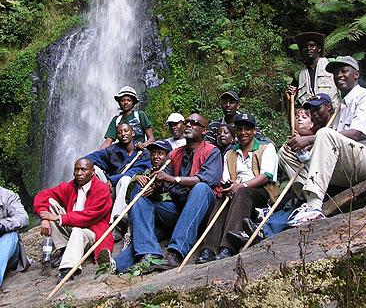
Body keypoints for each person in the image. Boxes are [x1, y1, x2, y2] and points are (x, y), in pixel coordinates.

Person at [98, 114, 223, 273]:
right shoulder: (175, 154)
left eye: (195, 123)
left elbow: (207, 180)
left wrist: (172, 179)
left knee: (201, 188)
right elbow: (163, 185)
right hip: (177, 210)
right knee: (141, 197)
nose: (189, 125)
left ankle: (175, 253)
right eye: (187, 122)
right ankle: (141, 255)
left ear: (204, 131)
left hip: (202, 211)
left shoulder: (212, 152)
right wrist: (154, 187)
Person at [286, 56, 366, 226]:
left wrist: (312, 138)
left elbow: (356, 134)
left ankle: (314, 206)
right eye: (336, 73)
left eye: (344, 71)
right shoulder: (341, 107)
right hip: (349, 163)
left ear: (356, 74)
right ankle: (308, 198)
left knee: (324, 134)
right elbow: (330, 146)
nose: (339, 76)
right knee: (288, 151)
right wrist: (305, 150)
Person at [228, 96, 334, 248]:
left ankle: (263, 229)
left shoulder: (325, 135)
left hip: (317, 186)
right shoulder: (293, 145)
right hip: (298, 190)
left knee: (291, 206)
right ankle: (260, 230)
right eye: (297, 117)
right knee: (289, 207)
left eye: (304, 117)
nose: (299, 119)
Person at [195, 113, 279, 263]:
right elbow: (226, 179)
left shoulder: (266, 148)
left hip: (262, 192)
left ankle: (228, 246)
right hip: (238, 191)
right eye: (239, 129)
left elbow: (266, 175)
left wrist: (242, 185)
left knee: (242, 192)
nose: (243, 132)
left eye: (247, 129)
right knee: (223, 199)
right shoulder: (230, 154)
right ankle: (208, 249)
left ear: (254, 131)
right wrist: (229, 188)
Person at [33, 158, 114, 281]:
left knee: (77, 231)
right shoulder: (70, 186)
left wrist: (58, 217)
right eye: (76, 169)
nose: (79, 173)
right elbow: (43, 195)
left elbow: (89, 216)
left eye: (83, 170)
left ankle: (68, 269)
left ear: (92, 172)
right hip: (72, 227)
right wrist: (44, 217)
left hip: (92, 231)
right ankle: (65, 248)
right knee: (50, 203)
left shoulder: (102, 189)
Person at [85, 123, 151, 227]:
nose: (123, 134)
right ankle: (88, 211)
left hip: (128, 190)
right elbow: (96, 157)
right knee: (92, 169)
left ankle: (116, 223)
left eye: (126, 131)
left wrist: (112, 180)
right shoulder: (112, 150)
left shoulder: (143, 153)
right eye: (119, 132)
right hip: (110, 188)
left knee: (125, 179)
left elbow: (136, 171)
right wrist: (82, 163)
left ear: (133, 133)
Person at [283, 32, 340, 110]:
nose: (308, 48)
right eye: (305, 47)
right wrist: (289, 96)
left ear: (319, 49)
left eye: (312, 45)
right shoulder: (298, 75)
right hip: (310, 117)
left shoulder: (331, 65)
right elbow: (293, 101)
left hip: (333, 115)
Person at [0, 186, 30, 287]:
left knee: (11, 235)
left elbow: (23, 218)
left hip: (7, 248)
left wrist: (3, 226)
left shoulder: (7, 195)